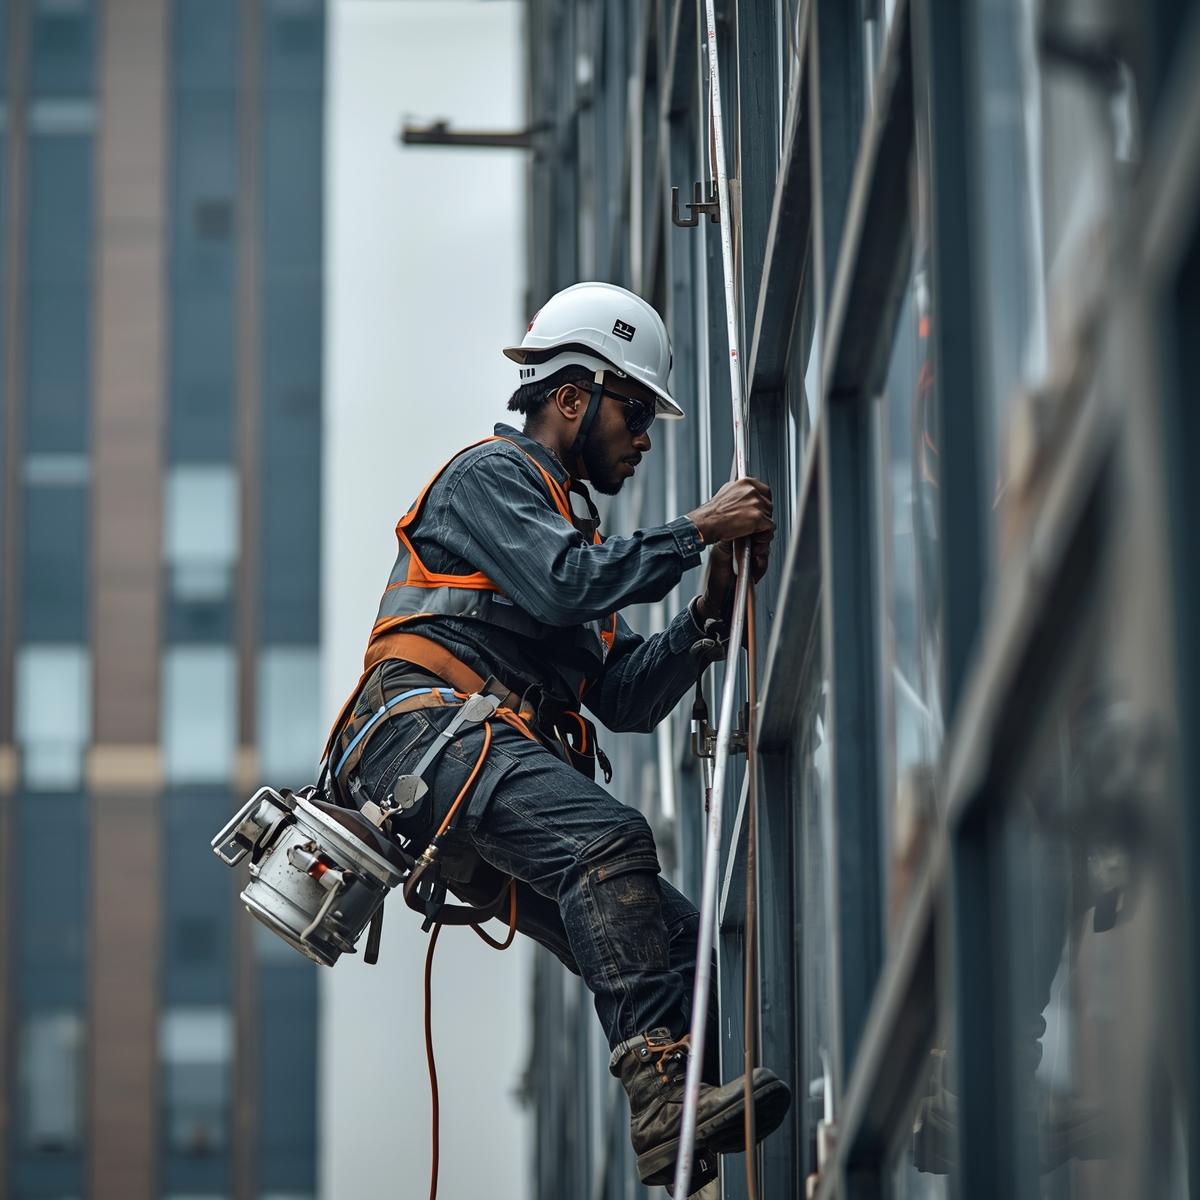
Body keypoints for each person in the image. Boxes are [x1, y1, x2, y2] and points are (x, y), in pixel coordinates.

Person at [326, 282, 791, 1193]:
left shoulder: (561, 529)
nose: (645, 435)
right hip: (417, 739)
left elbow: (620, 694)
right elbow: (568, 586)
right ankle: (664, 1095)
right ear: (572, 397)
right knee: (610, 839)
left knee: (676, 936)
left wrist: (709, 617)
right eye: (635, 410)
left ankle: (680, 1127)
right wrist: (699, 530)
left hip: (459, 757)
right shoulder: (493, 481)